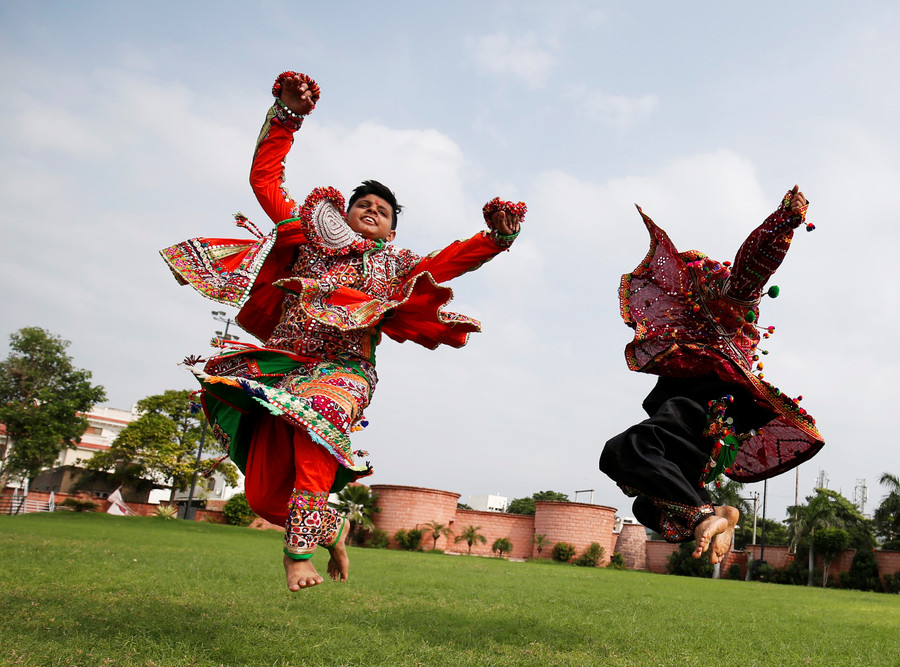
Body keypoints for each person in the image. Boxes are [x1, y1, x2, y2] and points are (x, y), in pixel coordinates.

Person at [161, 72, 524, 591]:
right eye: (363, 205)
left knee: (320, 416)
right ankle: (333, 526)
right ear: (344, 214)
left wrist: (496, 237)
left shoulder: (394, 267)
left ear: (392, 231)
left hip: (345, 372)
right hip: (282, 368)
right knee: (264, 498)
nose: (371, 211)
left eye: (383, 211)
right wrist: (287, 114)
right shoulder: (311, 238)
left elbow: (448, 262)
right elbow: (265, 182)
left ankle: (297, 553)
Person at [600, 186, 823, 564]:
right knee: (647, 509)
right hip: (710, 426)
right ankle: (716, 511)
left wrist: (783, 221)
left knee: (624, 450)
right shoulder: (691, 343)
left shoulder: (728, 307)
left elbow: (752, 269)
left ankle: (705, 514)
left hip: (707, 403)